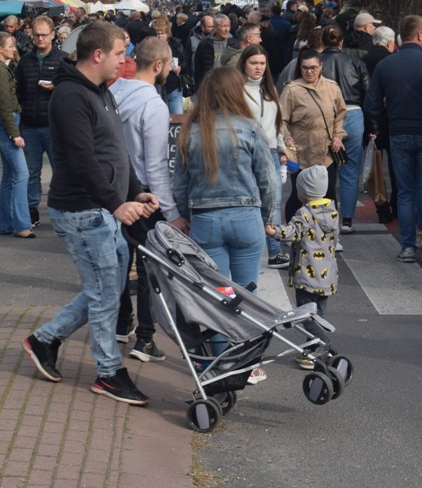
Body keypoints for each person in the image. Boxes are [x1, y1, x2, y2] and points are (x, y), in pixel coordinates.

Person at [22, 22, 158, 406]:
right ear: (97, 54)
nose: (124, 61)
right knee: (103, 293)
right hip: (82, 211)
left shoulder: (100, 91)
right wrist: (117, 203)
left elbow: (116, 149)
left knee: (106, 289)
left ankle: (44, 340)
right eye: (119, 53)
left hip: (102, 209)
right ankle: (108, 373)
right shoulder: (70, 96)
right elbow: (83, 160)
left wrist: (135, 191)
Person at [172, 66, 276, 369]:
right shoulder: (250, 127)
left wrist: (184, 213)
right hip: (246, 216)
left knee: (218, 294)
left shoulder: (191, 130)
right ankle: (248, 360)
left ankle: (221, 359)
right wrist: (268, 216)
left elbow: (180, 182)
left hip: (206, 219)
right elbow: (267, 179)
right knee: (247, 291)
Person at [110, 37, 181, 363]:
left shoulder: (113, 93)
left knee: (121, 264)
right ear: (158, 65)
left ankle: (122, 324)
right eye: (168, 65)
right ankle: (146, 338)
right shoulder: (153, 105)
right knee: (151, 268)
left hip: (114, 192)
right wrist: (170, 210)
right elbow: (156, 164)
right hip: (145, 196)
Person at [365, 15, 422, 266]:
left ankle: (407, 246)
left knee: (405, 192)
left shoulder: (387, 65)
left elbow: (372, 104)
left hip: (399, 132)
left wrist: (386, 122)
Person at [264, 164, 338, 369]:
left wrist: (273, 232)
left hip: (308, 274)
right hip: (328, 276)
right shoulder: (332, 211)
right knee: (318, 316)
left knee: (306, 317)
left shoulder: (305, 213)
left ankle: (324, 347)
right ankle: (311, 353)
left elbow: (292, 232)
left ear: (304, 192)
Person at [279, 49, 347, 223]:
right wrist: (286, 138)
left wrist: (338, 135)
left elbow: (340, 114)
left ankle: (331, 233)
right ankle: (292, 230)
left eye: (313, 68)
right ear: (300, 68)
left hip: (327, 152)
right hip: (301, 151)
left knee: (329, 192)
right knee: (299, 193)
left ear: (321, 66)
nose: (309, 71)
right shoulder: (292, 90)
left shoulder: (332, 87)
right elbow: (281, 120)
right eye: (305, 68)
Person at [238, 44, 288, 268]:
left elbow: (276, 123)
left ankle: (275, 251)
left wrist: (281, 147)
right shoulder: (237, 89)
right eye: (253, 63)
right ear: (244, 64)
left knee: (274, 201)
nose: (258, 68)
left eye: (262, 63)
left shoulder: (270, 89)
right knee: (247, 200)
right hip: (244, 152)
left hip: (269, 151)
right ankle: (248, 249)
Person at [14, 16, 67, 227]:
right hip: (30, 125)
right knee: (31, 172)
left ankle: (60, 210)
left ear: (53, 35)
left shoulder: (63, 60)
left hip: (55, 126)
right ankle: (32, 210)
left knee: (60, 171)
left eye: (44, 35)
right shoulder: (25, 61)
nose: (40, 39)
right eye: (36, 35)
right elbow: (17, 91)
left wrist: (57, 86)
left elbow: (71, 89)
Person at [319, 25, 370, 234]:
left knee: (325, 168)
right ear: (341, 42)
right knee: (350, 170)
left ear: (322, 42)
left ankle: (327, 215)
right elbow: (368, 93)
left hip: (326, 115)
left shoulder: (317, 63)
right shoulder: (356, 63)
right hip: (354, 113)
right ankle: (347, 219)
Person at [0, 32, 34, 238]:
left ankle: (7, 223)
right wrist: (14, 134)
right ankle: (21, 224)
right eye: (10, 45)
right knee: (22, 174)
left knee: (11, 175)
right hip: (6, 124)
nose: (14, 48)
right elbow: (4, 106)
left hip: (5, 122)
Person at [193, 14, 233, 89]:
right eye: (224, 26)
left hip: (230, 86)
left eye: (228, 26)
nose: (227, 29)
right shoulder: (204, 44)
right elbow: (198, 68)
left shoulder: (234, 44)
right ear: (215, 28)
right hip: (210, 87)